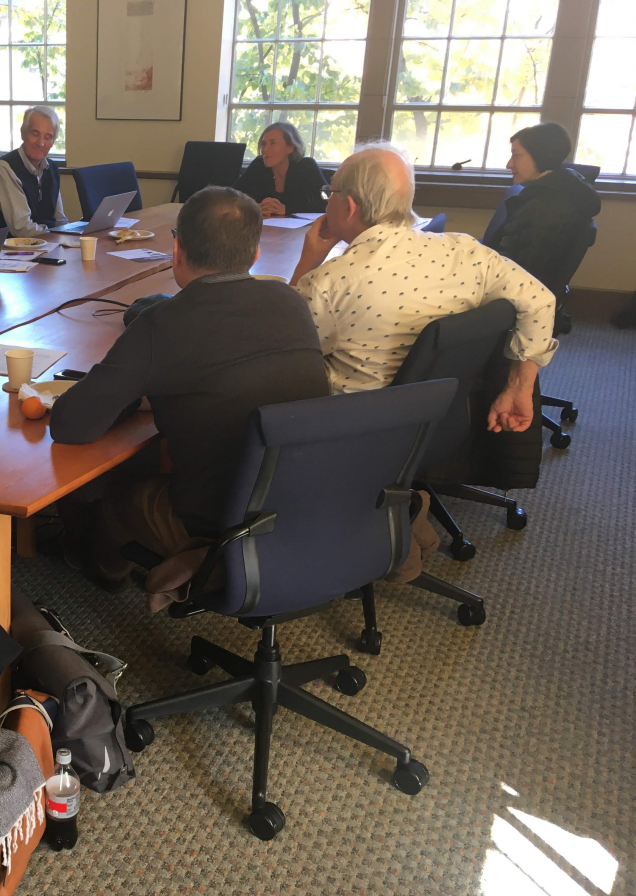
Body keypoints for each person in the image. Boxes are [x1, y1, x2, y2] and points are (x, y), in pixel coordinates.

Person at [50, 187, 329, 589]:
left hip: (220, 521)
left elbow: (70, 424)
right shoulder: (291, 301)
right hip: (304, 499)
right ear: (254, 254)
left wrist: (132, 399)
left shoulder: (160, 323)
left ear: (177, 250)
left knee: (115, 492)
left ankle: (107, 575)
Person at [290, 143, 558, 430]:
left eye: (329, 193)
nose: (327, 201)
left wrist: (307, 262)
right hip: (441, 418)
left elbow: (282, 350)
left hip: (348, 427)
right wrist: (519, 387)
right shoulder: (468, 252)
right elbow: (540, 301)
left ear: (349, 206)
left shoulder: (329, 285)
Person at [483, 122, 601, 291]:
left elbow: (520, 272)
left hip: (507, 294)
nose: (509, 164)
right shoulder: (559, 193)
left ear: (541, 155)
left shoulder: (544, 207)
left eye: (516, 155)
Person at [0, 105, 69, 236]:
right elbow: (22, 229)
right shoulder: (4, 168)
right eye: (35, 134)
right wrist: (58, 238)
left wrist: (71, 238)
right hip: (10, 251)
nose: (40, 143)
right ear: (23, 133)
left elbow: (60, 220)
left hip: (46, 245)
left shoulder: (51, 168)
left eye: (47, 137)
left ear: (53, 142)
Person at [235, 121, 327, 217]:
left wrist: (288, 209)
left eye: (273, 143)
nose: (265, 149)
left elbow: (328, 204)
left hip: (300, 230)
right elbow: (231, 197)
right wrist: (255, 207)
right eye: (263, 144)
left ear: (290, 148)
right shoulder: (259, 165)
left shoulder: (307, 166)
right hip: (265, 228)